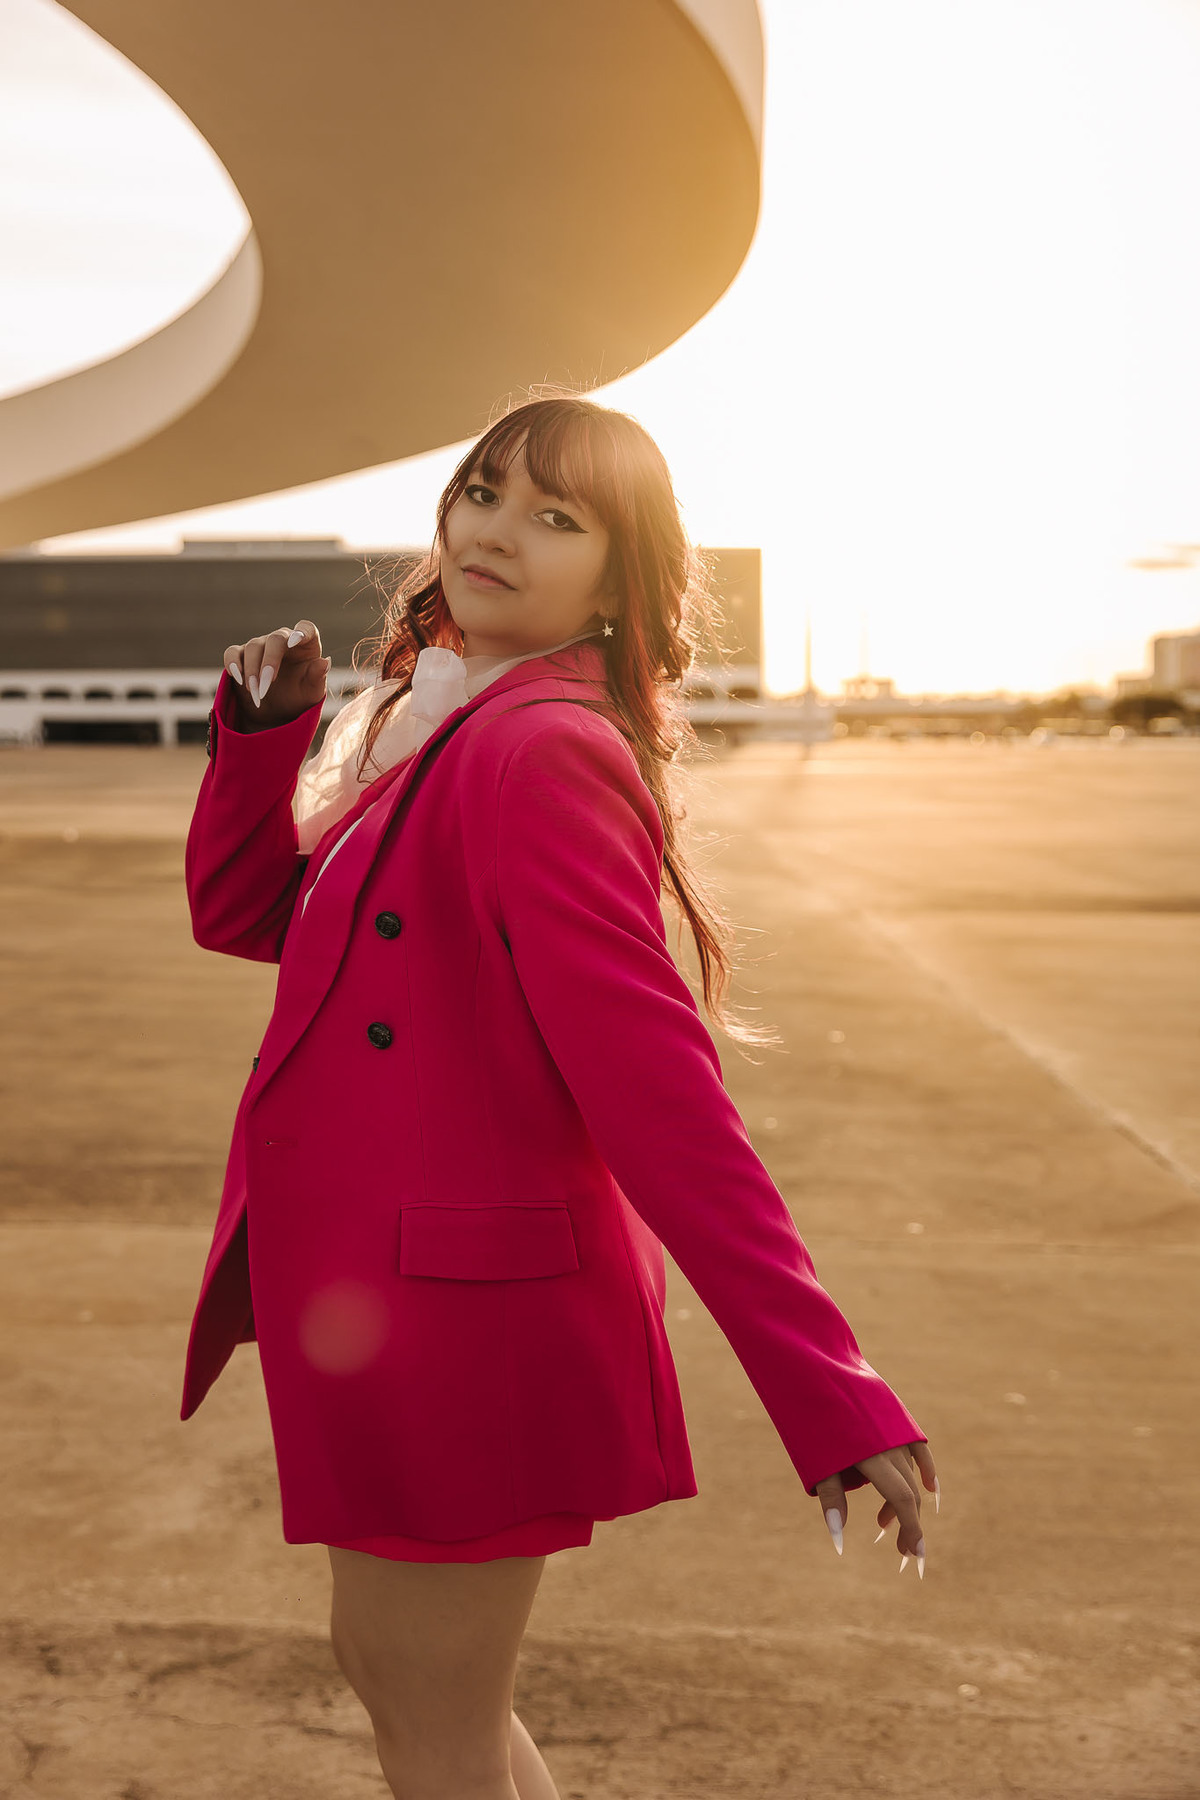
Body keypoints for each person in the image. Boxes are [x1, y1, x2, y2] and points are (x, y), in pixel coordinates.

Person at [182, 393, 938, 1800]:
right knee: (415, 1689)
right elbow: (251, 919)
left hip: (466, 1316)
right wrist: (267, 739)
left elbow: (663, 1096)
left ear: (616, 580)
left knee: (431, 1713)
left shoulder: (538, 751)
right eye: (483, 492)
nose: (496, 531)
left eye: (556, 517)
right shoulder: (440, 722)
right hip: (403, 1302)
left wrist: (828, 1385)